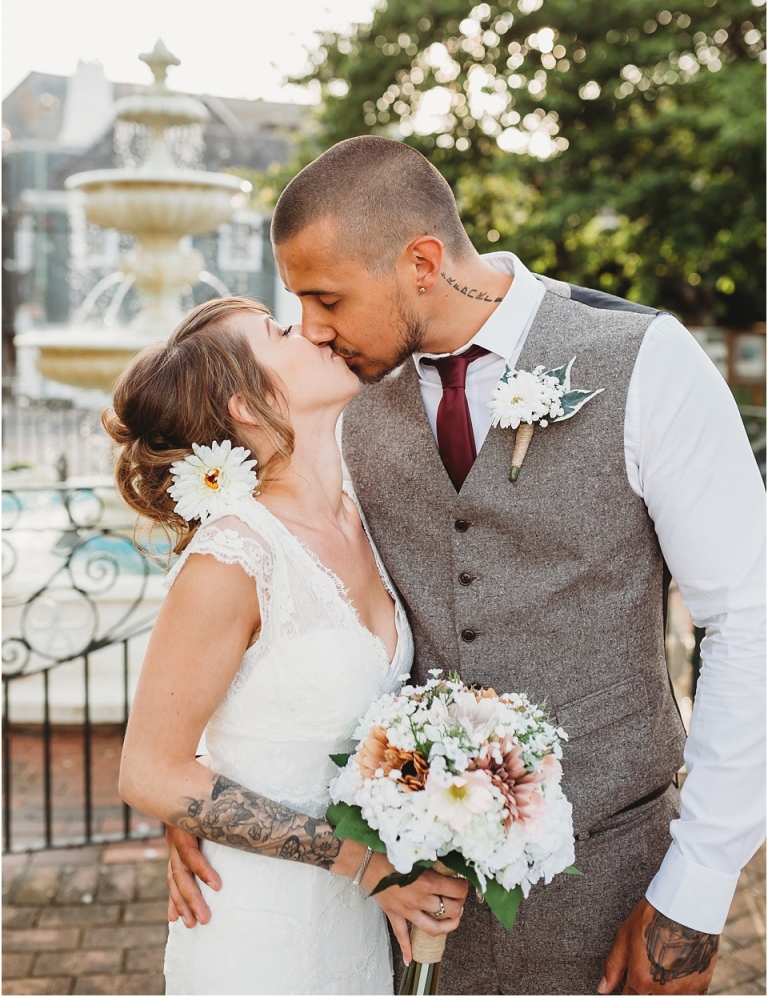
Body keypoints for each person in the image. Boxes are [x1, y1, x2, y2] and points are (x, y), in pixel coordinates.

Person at [166, 137, 765, 995]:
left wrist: (696, 889)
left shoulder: (646, 363)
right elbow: (270, 575)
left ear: (421, 263)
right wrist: (201, 799)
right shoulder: (334, 399)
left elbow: (748, 622)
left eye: (326, 297)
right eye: (298, 304)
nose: (312, 327)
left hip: (612, 886)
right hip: (401, 907)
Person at [107, 295, 469, 996]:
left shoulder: (360, 508)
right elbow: (149, 773)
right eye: (279, 331)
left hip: (355, 930)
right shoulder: (234, 557)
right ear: (247, 404)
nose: (311, 328)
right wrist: (371, 868)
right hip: (258, 928)